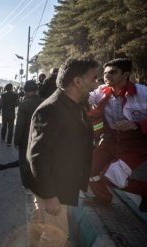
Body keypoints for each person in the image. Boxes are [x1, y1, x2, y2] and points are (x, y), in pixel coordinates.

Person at [27, 58, 99, 246]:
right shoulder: (52, 109)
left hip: (60, 183)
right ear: (77, 81)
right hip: (54, 187)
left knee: (39, 223)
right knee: (56, 236)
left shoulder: (75, 104)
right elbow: (38, 157)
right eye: (94, 79)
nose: (96, 84)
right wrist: (50, 196)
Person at [88, 58, 147, 212]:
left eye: (113, 72)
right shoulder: (100, 91)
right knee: (87, 168)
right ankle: (102, 198)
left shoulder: (146, 94)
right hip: (110, 140)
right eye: (105, 73)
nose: (107, 76)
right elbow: (83, 97)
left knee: (111, 177)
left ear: (126, 74)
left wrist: (137, 125)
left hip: (137, 145)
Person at [14, 80, 43, 195]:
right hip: (42, 138)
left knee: (24, 162)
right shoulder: (45, 102)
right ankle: (37, 184)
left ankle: (26, 186)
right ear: (37, 91)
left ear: (26, 92)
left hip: (27, 139)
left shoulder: (24, 105)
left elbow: (20, 125)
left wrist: (17, 141)